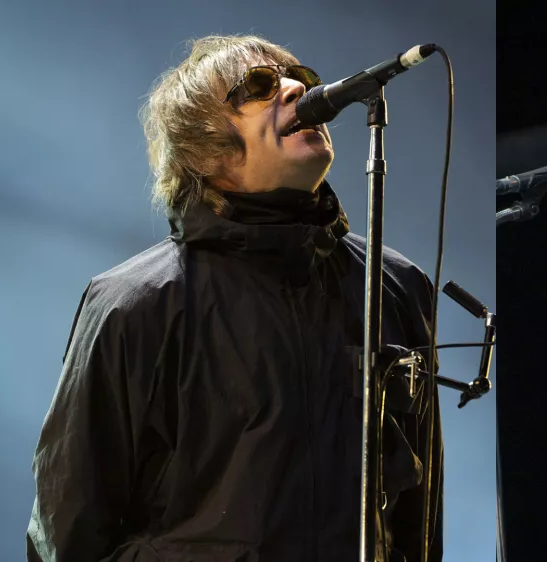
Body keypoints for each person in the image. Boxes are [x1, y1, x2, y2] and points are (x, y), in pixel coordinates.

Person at [26, 35, 442, 562]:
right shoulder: (132, 304)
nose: (295, 88)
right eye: (260, 86)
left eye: (299, 78)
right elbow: (70, 526)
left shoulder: (396, 284)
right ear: (204, 148)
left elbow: (420, 520)